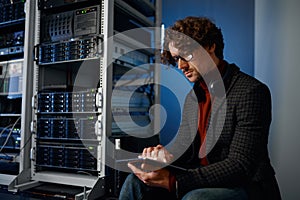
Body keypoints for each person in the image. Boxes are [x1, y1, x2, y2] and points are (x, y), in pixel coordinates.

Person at [118, 16, 281, 200]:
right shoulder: (194, 96)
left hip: (248, 186)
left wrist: (176, 181)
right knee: (135, 182)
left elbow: (241, 165)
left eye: (186, 55)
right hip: (203, 178)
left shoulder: (251, 91)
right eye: (177, 58)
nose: (181, 66)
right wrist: (165, 157)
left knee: (196, 198)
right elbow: (185, 147)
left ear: (211, 47)